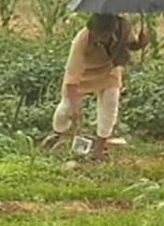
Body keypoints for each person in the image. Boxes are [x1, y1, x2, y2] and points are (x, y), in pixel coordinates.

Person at [43, 13, 149, 159]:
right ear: (92, 31)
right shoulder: (81, 40)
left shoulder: (124, 27)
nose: (101, 38)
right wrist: (75, 106)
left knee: (110, 104)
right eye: (97, 35)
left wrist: (141, 43)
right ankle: (57, 134)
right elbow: (72, 75)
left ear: (112, 31)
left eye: (105, 35)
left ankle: (100, 146)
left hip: (109, 69)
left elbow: (131, 45)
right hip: (85, 71)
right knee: (66, 107)